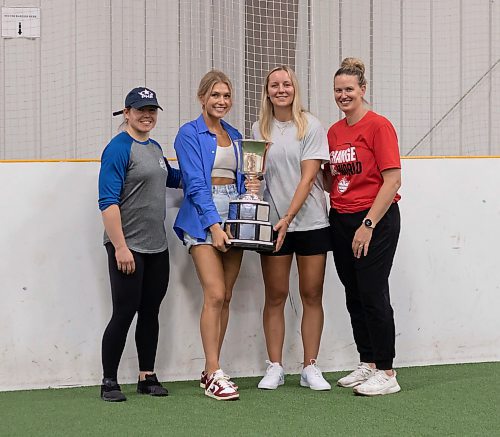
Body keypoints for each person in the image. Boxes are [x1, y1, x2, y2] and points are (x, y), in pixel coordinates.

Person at [173, 70, 258, 401]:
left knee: (227, 296)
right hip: (202, 216)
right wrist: (213, 225)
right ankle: (213, 370)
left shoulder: (235, 134)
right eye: (215, 95)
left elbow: (243, 176)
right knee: (215, 293)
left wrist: (249, 190)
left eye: (226, 96)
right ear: (201, 98)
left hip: (234, 214)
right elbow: (194, 184)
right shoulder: (188, 134)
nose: (221, 101)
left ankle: (212, 371)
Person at [98, 87, 181, 402]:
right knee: (124, 311)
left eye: (152, 110)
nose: (147, 115)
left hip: (156, 247)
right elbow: (107, 201)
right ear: (127, 112)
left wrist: (209, 177)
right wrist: (120, 247)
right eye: (141, 110)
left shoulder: (155, 147)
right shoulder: (118, 148)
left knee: (150, 311)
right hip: (127, 246)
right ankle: (109, 381)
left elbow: (171, 178)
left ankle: (147, 376)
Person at [252, 65, 332, 391]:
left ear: (294, 88)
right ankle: (275, 367)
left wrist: (288, 218)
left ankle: (310, 367)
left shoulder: (311, 126)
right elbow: (255, 175)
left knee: (311, 294)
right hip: (272, 225)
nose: (281, 89)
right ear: (267, 91)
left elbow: (309, 177)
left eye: (286, 84)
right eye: (275, 85)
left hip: (310, 222)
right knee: (276, 295)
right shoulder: (259, 129)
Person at [326, 57, 402, 396]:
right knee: (353, 293)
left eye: (349, 90)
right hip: (340, 218)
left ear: (363, 90)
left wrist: (368, 223)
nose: (344, 95)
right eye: (338, 90)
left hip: (374, 219)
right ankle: (367, 362)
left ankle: (387, 372)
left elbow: (392, 179)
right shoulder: (334, 131)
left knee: (373, 293)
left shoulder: (378, 126)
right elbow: (335, 181)